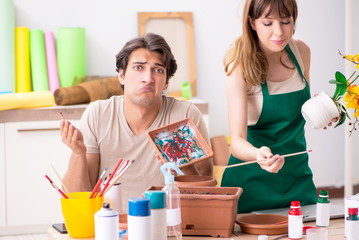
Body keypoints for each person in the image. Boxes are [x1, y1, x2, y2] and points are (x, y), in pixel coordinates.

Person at [60, 33, 212, 212]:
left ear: (166, 83)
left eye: (158, 70)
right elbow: (80, 202)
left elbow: (208, 194)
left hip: (167, 224)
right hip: (112, 224)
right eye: (139, 67)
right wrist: (78, 153)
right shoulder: (98, 114)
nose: (148, 78)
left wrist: (184, 167)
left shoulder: (184, 116)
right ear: (122, 76)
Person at [221, 0, 318, 213]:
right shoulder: (239, 66)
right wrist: (259, 155)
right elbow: (236, 142)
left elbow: (304, 109)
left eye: (286, 21)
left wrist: (326, 110)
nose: (279, 32)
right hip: (251, 183)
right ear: (252, 23)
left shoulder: (302, 52)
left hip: (297, 177)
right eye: (267, 23)